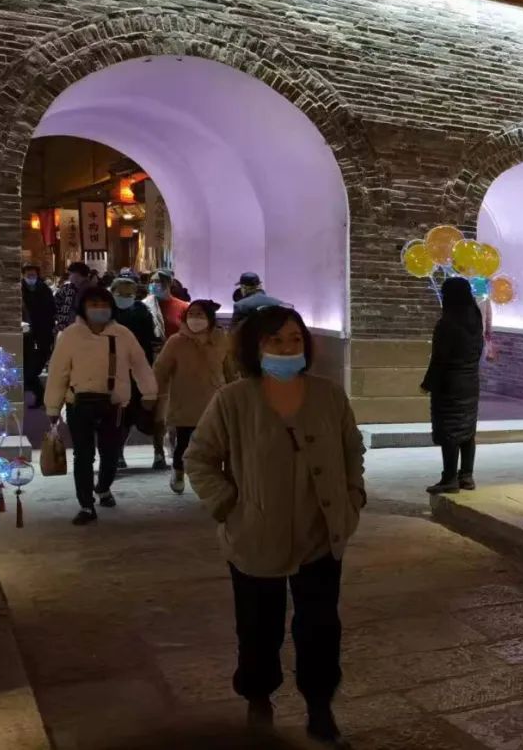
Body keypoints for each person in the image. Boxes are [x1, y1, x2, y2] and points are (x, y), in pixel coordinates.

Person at [184, 306, 365, 746]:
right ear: (256, 347)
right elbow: (200, 459)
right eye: (275, 340)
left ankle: (320, 707)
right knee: (258, 628)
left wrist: (352, 498)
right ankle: (258, 699)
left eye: (294, 339)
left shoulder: (329, 395)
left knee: (320, 628)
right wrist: (230, 506)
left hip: (320, 534)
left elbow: (351, 450)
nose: (287, 348)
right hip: (256, 536)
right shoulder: (232, 400)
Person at [44, 286, 158, 525]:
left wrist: (149, 392)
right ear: (83, 308)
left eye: (104, 304)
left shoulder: (123, 334)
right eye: (93, 304)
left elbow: (140, 365)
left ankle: (103, 487)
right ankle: (86, 505)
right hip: (78, 404)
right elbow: (58, 373)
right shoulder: (70, 335)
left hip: (114, 404)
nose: (99, 309)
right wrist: (53, 407)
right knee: (83, 455)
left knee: (110, 452)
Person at [153, 300, 236, 494]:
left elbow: (230, 369)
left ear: (209, 318)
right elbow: (161, 369)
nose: (195, 319)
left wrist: (234, 391)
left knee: (216, 444)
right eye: (191, 314)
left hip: (215, 400)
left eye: (200, 314)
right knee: (185, 442)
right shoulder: (176, 342)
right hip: (186, 401)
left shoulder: (222, 340)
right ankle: (178, 470)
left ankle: (213, 480)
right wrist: (154, 393)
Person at [423, 278, 485, 494]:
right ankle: (466, 476)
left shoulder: (447, 324)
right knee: (467, 430)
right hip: (471, 383)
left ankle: (449, 478)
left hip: (449, 385)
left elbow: (439, 359)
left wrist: (428, 383)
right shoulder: (475, 320)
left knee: (449, 430)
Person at [142, 269, 189, 468]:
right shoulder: (145, 306)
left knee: (179, 410)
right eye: (152, 281)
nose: (154, 285)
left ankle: (177, 448)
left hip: (180, 365)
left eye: (158, 281)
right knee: (159, 412)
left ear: (169, 283)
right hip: (156, 364)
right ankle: (158, 450)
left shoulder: (184, 307)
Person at [111, 275, 159, 468]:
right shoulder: (107, 311)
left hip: (139, 367)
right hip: (115, 369)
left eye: (129, 293)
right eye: (121, 293)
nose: (125, 297)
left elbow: (150, 336)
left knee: (148, 412)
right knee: (119, 415)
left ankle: (159, 452)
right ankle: (118, 453)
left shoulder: (141, 311)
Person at [22, 262, 56, 408]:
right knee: (27, 369)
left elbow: (51, 310)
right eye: (28, 275)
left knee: (34, 368)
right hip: (25, 334)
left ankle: (40, 395)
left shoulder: (44, 290)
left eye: (33, 275)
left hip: (43, 333)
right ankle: (39, 395)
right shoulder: (20, 290)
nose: (31, 277)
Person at [53, 261, 91, 334]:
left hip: (83, 329)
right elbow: (55, 303)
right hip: (66, 327)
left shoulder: (92, 291)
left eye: (70, 274)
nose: (69, 277)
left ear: (77, 274)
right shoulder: (67, 288)